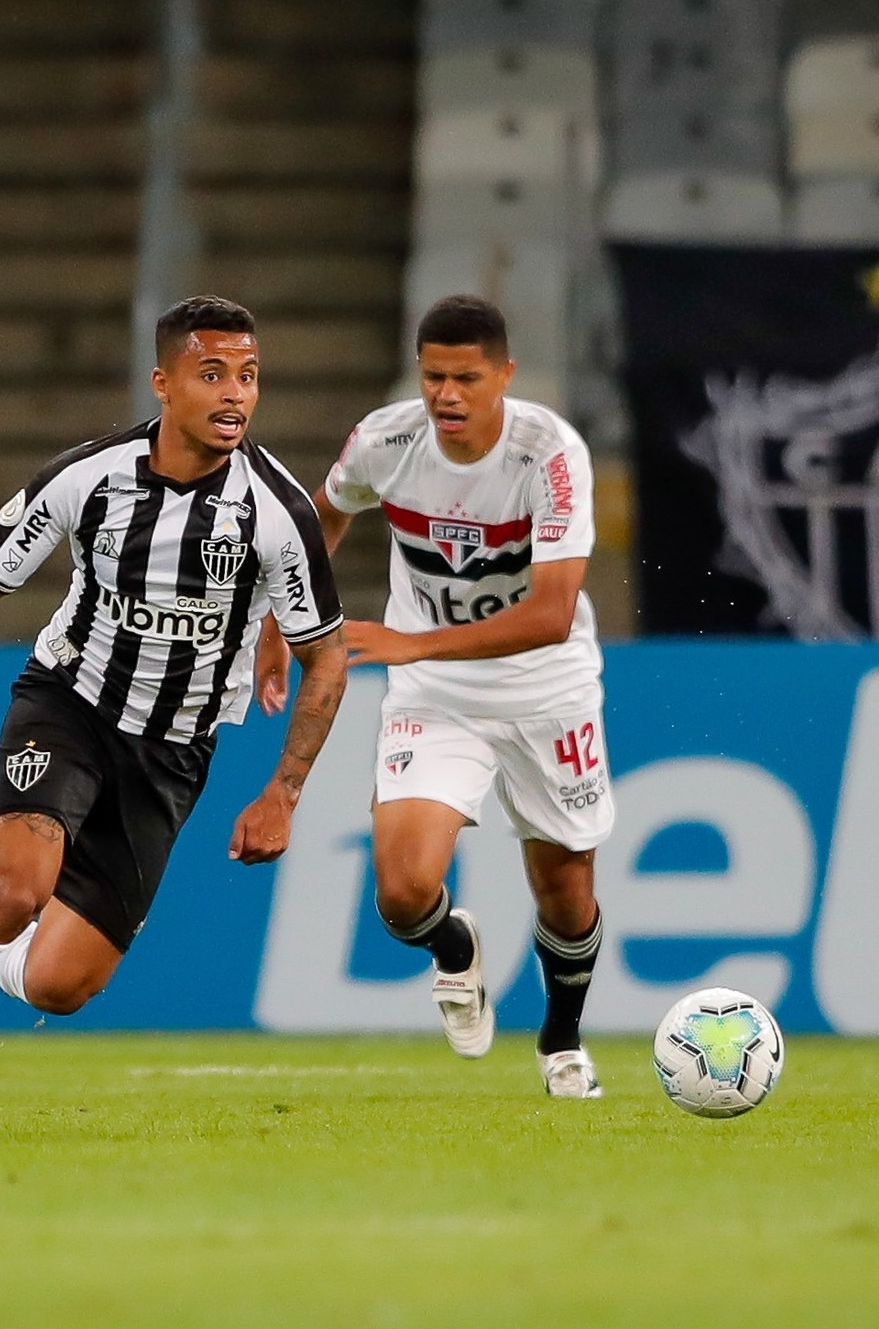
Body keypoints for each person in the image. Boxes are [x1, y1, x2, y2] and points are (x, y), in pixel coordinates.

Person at [0, 295, 349, 1135]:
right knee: (15, 889)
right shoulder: (89, 476)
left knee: (58, 984)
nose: (234, 395)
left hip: (173, 751)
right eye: (212, 373)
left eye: (249, 377)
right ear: (164, 382)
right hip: (67, 705)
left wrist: (285, 792)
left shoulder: (279, 512)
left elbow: (325, 652)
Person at [258, 294, 613, 1098]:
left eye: (466, 378)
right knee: (403, 890)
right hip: (436, 692)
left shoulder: (549, 456)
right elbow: (325, 516)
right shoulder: (386, 440)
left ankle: (561, 1042)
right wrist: (285, 616)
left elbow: (553, 613)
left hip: (546, 688)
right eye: (433, 377)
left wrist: (408, 640)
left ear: (505, 376)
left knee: (566, 889)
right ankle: (456, 952)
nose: (447, 395)